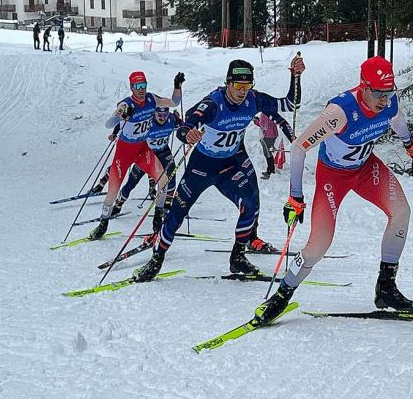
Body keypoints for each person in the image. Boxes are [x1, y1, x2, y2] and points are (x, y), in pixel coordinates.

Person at [254, 56, 413, 324]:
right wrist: (295, 196)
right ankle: (281, 296)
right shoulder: (338, 112)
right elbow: (299, 148)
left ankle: (386, 288)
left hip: (365, 168)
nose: (384, 100)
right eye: (378, 93)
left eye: (389, 93)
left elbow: (397, 120)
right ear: (363, 87)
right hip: (333, 176)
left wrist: (411, 145)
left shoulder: (388, 102)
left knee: (401, 212)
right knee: (318, 245)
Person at [132, 56, 305, 282]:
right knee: (177, 212)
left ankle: (238, 256)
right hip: (202, 166)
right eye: (238, 86)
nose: (243, 91)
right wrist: (188, 134)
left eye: (247, 85)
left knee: (251, 203)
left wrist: (295, 76)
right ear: (227, 82)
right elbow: (185, 125)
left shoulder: (253, 99)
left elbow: (291, 104)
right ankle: (156, 260)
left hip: (230, 163)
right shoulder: (214, 103)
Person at [89, 71, 185, 239]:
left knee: (163, 181)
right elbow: (108, 124)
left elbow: (174, 102)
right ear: (132, 87)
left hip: (143, 149)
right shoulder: (126, 104)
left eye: (143, 85)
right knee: (113, 190)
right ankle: (103, 223)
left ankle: (157, 217)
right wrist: (122, 115)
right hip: (125, 152)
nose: (141, 89)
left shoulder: (151, 99)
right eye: (137, 86)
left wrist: (177, 86)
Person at [112, 106, 182, 214]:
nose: (162, 118)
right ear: (154, 114)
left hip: (163, 151)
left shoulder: (171, 119)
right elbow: (124, 124)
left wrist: (185, 129)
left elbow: (183, 128)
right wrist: (114, 133)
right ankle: (119, 203)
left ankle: (167, 205)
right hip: (147, 153)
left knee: (171, 173)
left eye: (165, 115)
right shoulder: (147, 121)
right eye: (159, 115)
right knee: (133, 180)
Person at [253, 113, 278, 179]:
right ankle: (270, 170)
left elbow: (264, 126)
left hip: (268, 136)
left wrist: (257, 122)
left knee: (267, 153)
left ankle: (270, 172)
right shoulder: (271, 111)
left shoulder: (264, 113)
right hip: (273, 134)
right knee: (268, 152)